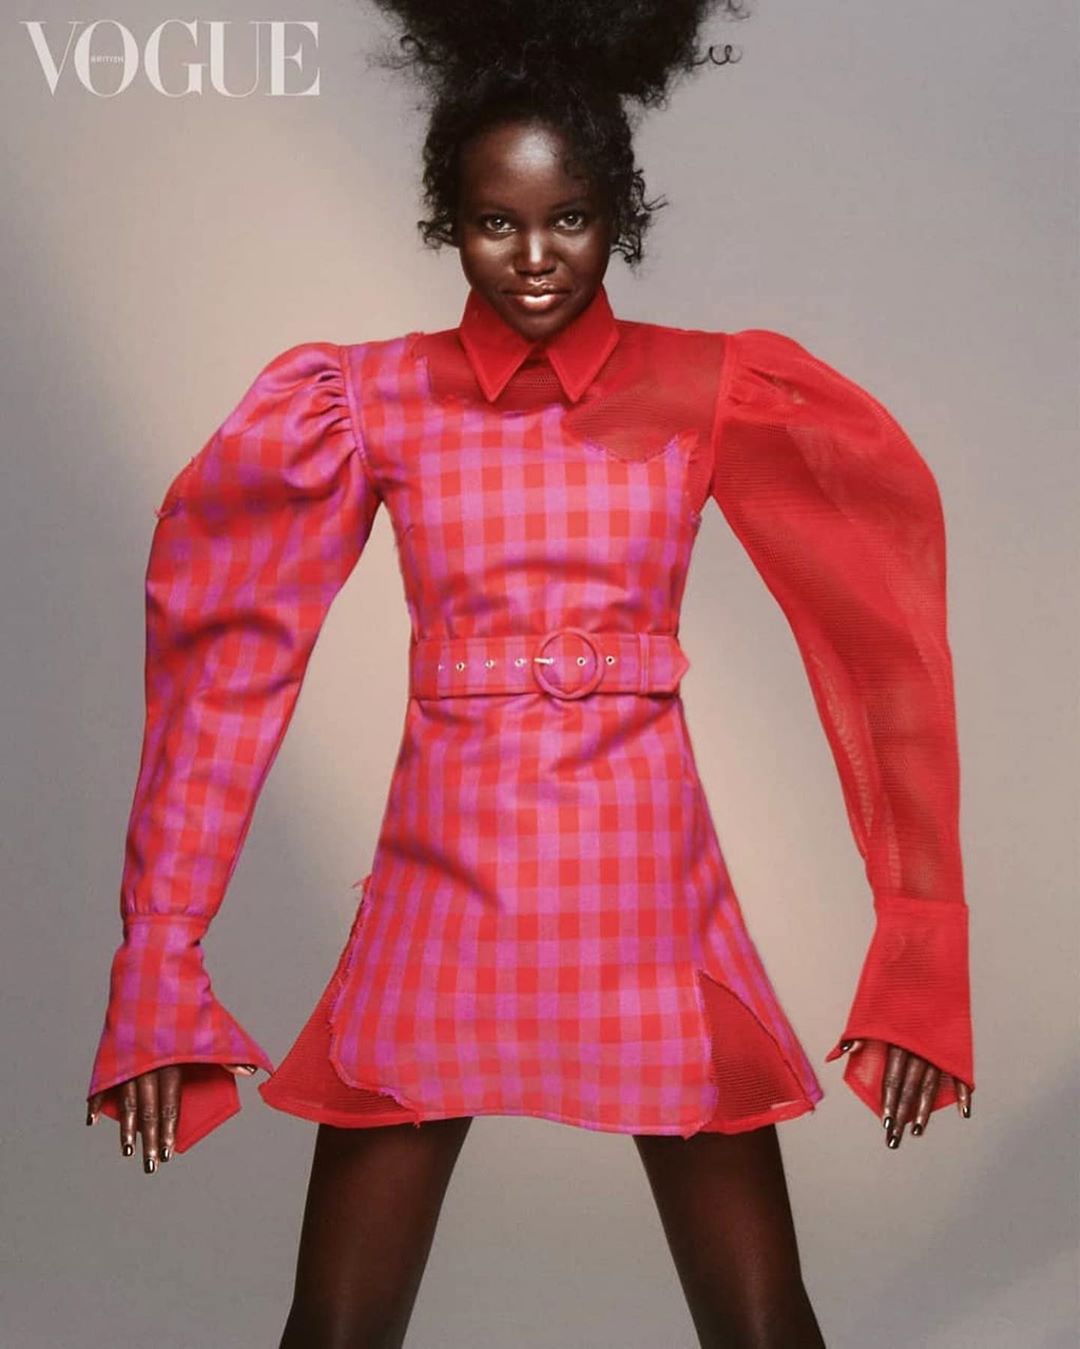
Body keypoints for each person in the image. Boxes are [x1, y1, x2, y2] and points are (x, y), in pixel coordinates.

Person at [83, 3, 974, 1345]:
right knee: (334, 1329)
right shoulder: (364, 399)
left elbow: (880, 643)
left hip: (647, 889)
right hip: (440, 885)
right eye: (496, 222)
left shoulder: (714, 386)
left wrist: (919, 938)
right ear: (448, 221)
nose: (537, 256)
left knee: (762, 1326)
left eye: (571, 218)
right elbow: (225, 667)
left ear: (622, 212)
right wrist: (161, 947)